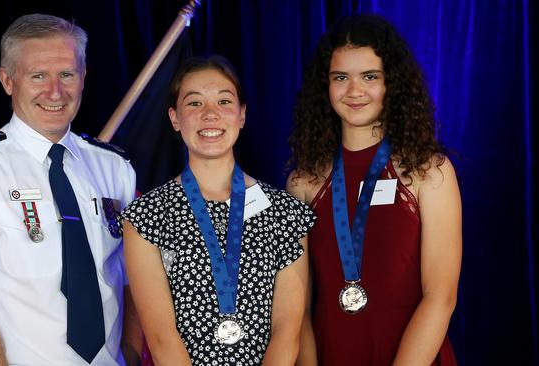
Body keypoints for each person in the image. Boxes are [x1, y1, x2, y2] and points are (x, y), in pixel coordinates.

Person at [0, 14, 140, 366]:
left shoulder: (115, 169)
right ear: (7, 80)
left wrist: (130, 358)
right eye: (38, 76)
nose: (55, 92)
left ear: (84, 77)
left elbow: (134, 282)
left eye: (67, 75)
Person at [287, 14, 461, 366]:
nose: (355, 91)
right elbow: (298, 311)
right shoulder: (303, 183)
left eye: (370, 76)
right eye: (341, 78)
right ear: (326, 86)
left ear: (392, 84)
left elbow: (440, 297)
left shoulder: (429, 172)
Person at [120, 55, 316, 365]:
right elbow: (160, 337)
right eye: (195, 104)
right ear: (174, 118)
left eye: (224, 102)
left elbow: (287, 330)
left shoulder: (286, 212)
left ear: (241, 115)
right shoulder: (146, 217)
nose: (210, 114)